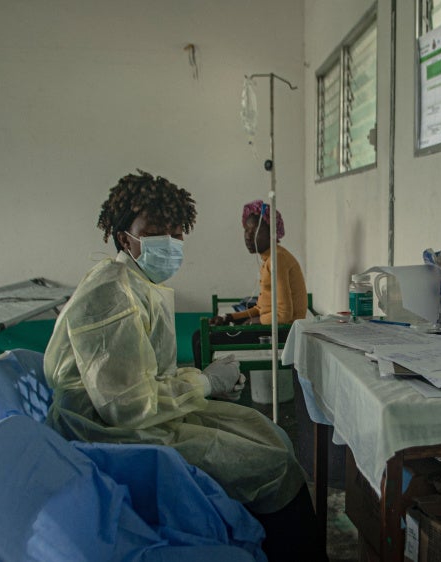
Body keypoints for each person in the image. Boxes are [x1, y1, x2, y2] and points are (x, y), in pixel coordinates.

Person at [44, 171, 324, 561]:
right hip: (108, 433)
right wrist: (205, 383)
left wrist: (203, 381)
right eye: (157, 232)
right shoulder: (111, 291)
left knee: (269, 433)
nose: (171, 243)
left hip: (138, 416)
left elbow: (145, 377)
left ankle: (266, 542)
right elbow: (126, 405)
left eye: (176, 233)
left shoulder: (139, 284)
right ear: (125, 238)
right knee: (269, 464)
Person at [192, 200, 308, 368]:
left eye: (254, 230)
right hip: (271, 326)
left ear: (272, 233)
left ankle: (206, 386)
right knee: (198, 337)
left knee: (202, 340)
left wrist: (256, 322)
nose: (247, 235)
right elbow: (261, 308)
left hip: (283, 332)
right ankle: (205, 383)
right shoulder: (269, 259)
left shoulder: (277, 260)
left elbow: (284, 315)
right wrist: (229, 318)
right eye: (246, 230)